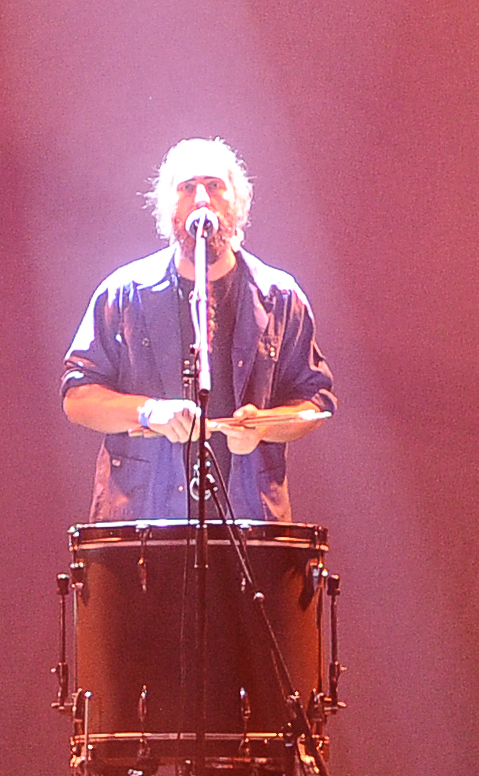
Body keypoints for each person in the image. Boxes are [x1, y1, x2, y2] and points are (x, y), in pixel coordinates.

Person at [58, 139, 335, 525]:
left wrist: (263, 427)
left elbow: (315, 402)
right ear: (167, 206)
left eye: (214, 186)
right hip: (142, 524)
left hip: (249, 523)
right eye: (187, 187)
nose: (202, 199)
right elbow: (77, 399)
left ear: (236, 203)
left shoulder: (281, 297)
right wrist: (148, 412)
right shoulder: (122, 293)